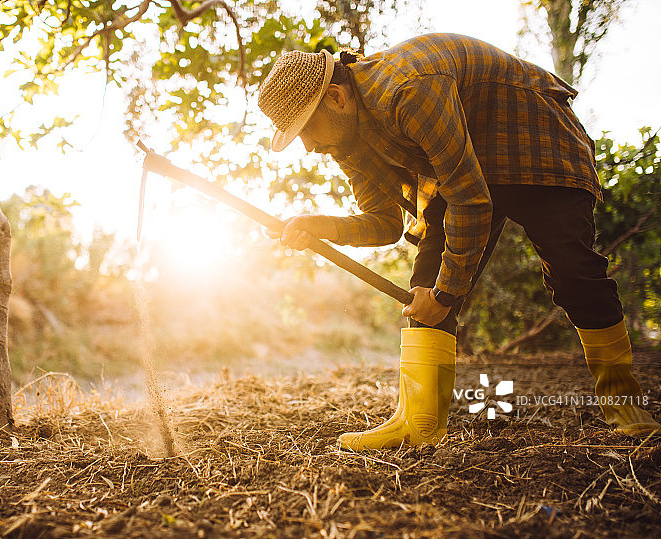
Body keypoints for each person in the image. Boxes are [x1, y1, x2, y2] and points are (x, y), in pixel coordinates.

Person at [257, 33, 660, 450]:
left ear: (336, 97)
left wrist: (447, 295)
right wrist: (320, 226)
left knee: (573, 272)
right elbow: (385, 225)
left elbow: (470, 199)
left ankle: (624, 402)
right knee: (424, 288)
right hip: (464, 165)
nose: (307, 146)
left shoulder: (408, 88)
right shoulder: (346, 141)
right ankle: (419, 422)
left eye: (306, 128)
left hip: (536, 141)